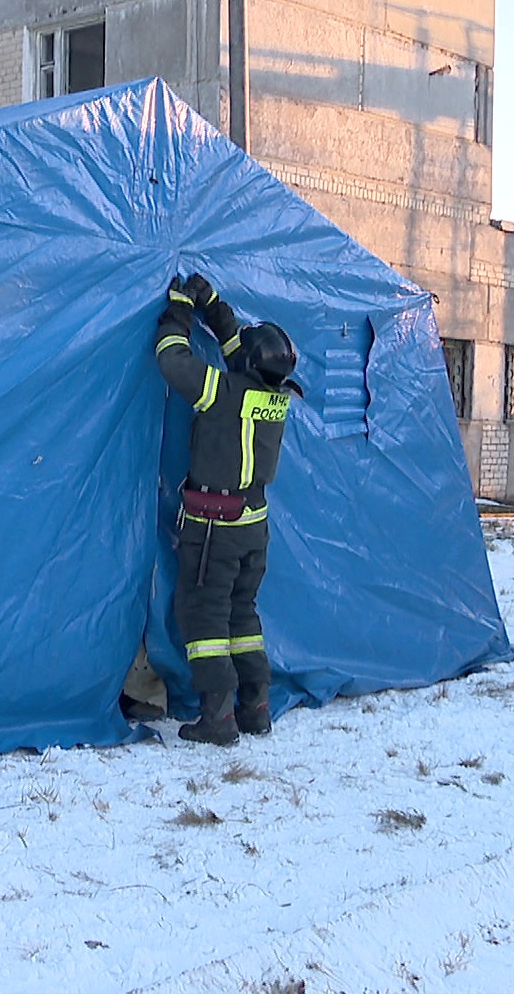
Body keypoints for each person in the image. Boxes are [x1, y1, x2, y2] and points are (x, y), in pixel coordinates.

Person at [153, 273, 303, 745]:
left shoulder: (223, 392)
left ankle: (217, 719)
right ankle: (256, 706)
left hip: (213, 528)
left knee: (204, 617)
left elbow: (171, 359)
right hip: (253, 526)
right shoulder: (272, 396)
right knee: (242, 615)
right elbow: (241, 349)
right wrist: (213, 305)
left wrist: (179, 308)